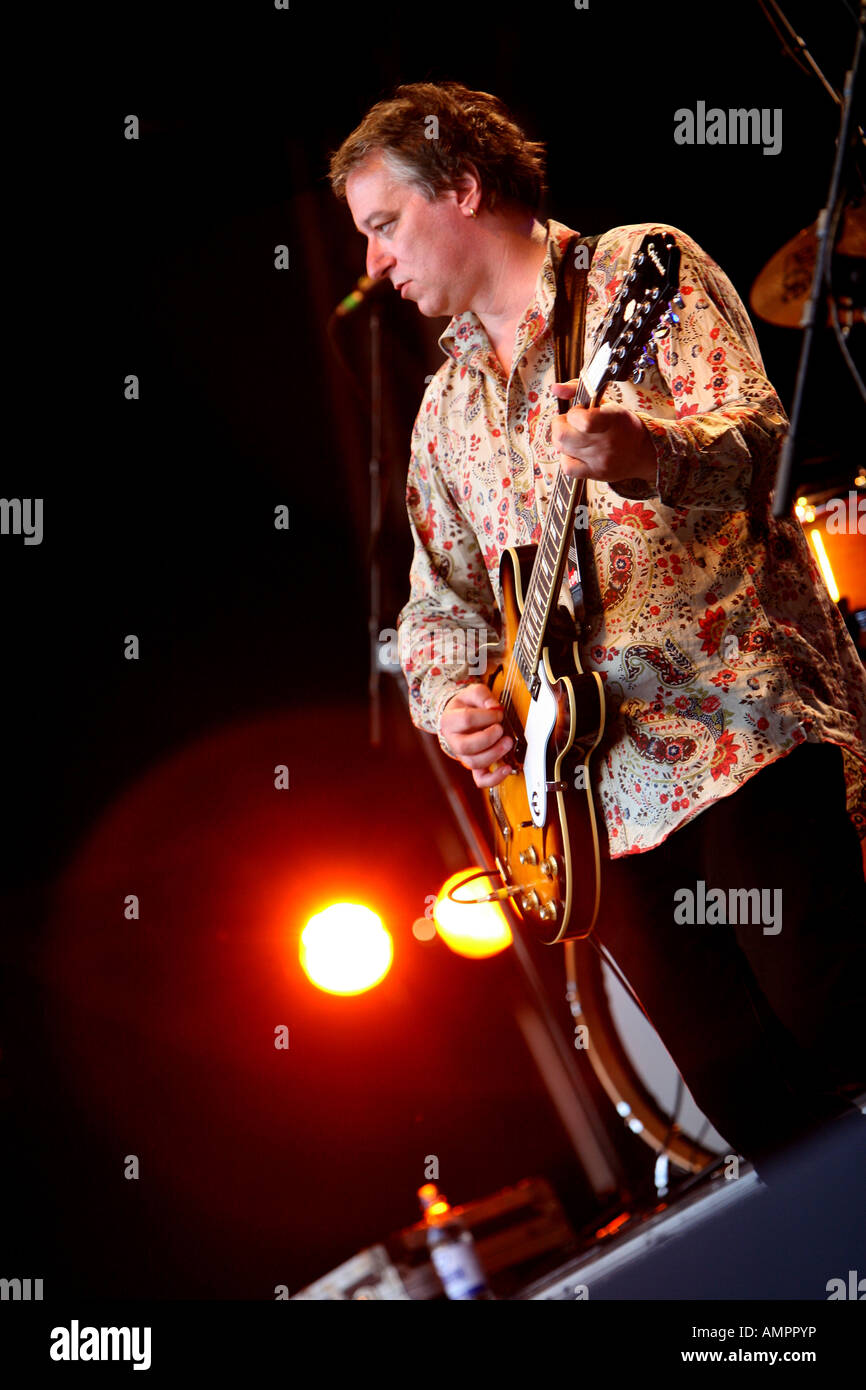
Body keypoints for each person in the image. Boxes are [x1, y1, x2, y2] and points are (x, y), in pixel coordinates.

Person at [329, 81, 866, 1171]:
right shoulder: (443, 411)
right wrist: (455, 703)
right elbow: (436, 609)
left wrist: (643, 454)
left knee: (834, 1014)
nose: (374, 263)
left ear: (462, 187)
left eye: (384, 226)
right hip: (589, 811)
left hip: (736, 724)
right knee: (749, 1103)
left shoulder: (634, 269)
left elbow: (762, 442)